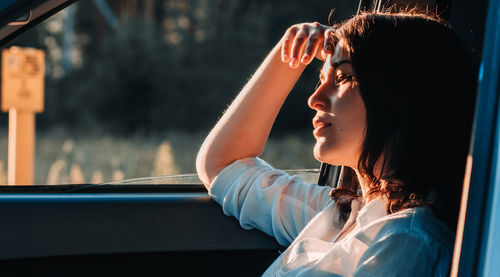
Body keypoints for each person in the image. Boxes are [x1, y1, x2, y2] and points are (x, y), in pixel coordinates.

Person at [196, 9, 476, 276]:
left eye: (342, 78)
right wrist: (288, 52)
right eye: (322, 78)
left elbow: (223, 167)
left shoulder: (407, 241)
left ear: (401, 96)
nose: (314, 99)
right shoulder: (340, 214)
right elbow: (222, 167)